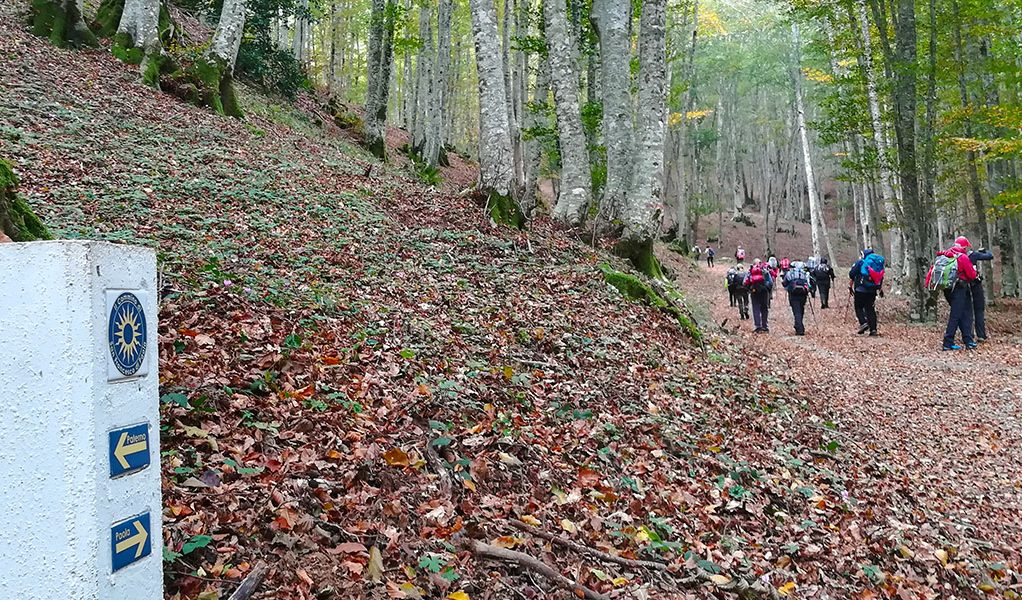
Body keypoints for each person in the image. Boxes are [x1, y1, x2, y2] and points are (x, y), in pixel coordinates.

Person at [935, 238, 978, 350]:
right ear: (964, 247)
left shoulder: (946, 254)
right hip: (959, 289)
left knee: (960, 314)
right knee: (955, 316)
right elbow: (971, 275)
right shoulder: (962, 257)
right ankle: (947, 342)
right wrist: (974, 270)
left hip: (947, 288)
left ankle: (968, 340)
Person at [848, 248, 885, 336]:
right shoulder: (877, 264)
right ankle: (873, 329)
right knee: (870, 309)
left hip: (860, 289)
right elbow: (880, 277)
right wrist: (879, 288)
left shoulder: (861, 262)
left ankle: (863, 323)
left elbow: (851, 274)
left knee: (859, 307)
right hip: (872, 290)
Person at [968, 243, 994, 342]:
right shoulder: (973, 255)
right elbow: (990, 256)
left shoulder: (957, 256)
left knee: (967, 311)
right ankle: (981, 335)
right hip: (975, 285)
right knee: (979, 310)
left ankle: (968, 335)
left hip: (964, 286)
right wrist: (983, 251)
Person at [782, 261, 811, 335]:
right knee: (801, 309)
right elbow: (809, 284)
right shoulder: (805, 273)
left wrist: (787, 287)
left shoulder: (790, 273)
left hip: (793, 295)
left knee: (796, 311)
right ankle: (798, 324)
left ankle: (800, 329)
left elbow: (784, 283)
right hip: (803, 295)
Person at [744, 261, 773, 333]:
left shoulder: (750, 271)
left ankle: (758, 326)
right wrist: (767, 288)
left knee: (756, 308)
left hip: (754, 291)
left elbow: (744, 282)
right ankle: (765, 326)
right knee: (764, 308)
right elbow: (771, 282)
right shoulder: (765, 271)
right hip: (764, 291)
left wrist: (749, 289)